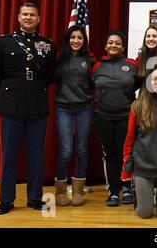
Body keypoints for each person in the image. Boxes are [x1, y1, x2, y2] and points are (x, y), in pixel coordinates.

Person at [0, 2, 56, 215]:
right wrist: (7, 90)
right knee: (10, 155)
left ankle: (35, 198)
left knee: (36, 154)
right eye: (24, 14)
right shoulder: (4, 42)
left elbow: (50, 75)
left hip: (36, 103)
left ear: (38, 19)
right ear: (18, 17)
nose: (28, 18)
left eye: (32, 15)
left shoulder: (47, 45)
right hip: (11, 105)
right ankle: (6, 200)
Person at [121, 66, 157, 218]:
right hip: (144, 167)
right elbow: (129, 139)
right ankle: (140, 199)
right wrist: (126, 169)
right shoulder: (138, 106)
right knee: (145, 213)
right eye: (155, 79)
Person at [92, 30, 139, 206]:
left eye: (118, 43)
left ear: (123, 47)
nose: (114, 45)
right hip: (103, 117)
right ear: (105, 46)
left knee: (125, 153)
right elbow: (91, 86)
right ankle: (113, 190)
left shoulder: (132, 64)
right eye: (111, 42)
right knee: (110, 154)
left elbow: (138, 85)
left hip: (126, 116)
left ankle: (127, 188)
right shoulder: (97, 66)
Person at [53, 25, 95, 206]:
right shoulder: (59, 60)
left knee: (82, 150)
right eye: (73, 38)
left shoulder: (90, 60)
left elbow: (95, 83)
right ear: (67, 40)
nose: (76, 41)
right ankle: (61, 191)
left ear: (84, 41)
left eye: (79, 38)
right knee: (66, 151)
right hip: (63, 109)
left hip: (84, 108)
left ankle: (78, 190)